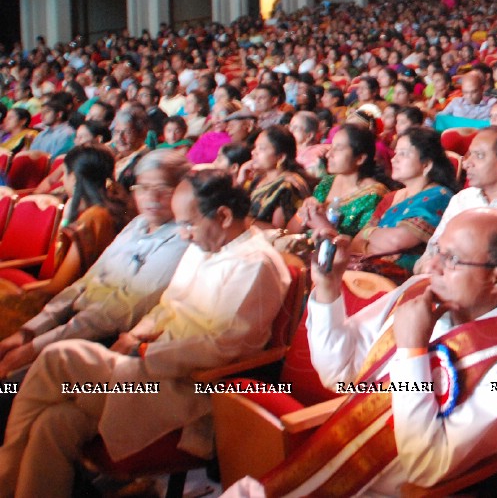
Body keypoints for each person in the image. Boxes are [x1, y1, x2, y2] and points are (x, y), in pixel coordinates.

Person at [224, 209, 497, 498]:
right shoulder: (418, 294)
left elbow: (425, 468)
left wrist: (413, 350)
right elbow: (339, 375)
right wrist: (327, 288)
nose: (432, 266)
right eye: (436, 250)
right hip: (342, 466)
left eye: (451, 259)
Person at [0, 171, 290, 498]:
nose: (184, 235)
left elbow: (225, 348)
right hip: (146, 376)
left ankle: (3, 477)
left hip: (187, 391)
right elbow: (167, 305)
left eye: (189, 224)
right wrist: (135, 335)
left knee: (59, 357)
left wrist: (146, 355)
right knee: (53, 424)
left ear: (223, 216)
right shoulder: (204, 245)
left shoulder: (257, 264)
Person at [0, 150, 190, 379]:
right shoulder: (138, 224)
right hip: (73, 322)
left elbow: (118, 312)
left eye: (163, 188)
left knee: (11, 385)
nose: (152, 197)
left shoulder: (183, 239)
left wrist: (35, 346)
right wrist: (29, 332)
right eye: (143, 188)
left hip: (105, 339)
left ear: (182, 191)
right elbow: (87, 281)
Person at [0, 145, 130, 339]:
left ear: (74, 178)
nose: (61, 180)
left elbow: (60, 286)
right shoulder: (114, 210)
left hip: (66, 306)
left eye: (65, 174)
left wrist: (17, 296)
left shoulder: (93, 218)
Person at [350, 126, 458, 273]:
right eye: (395, 153)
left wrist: (369, 236)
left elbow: (396, 241)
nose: (394, 159)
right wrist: (370, 239)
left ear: (426, 164)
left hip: (408, 281)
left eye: (403, 154)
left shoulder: (438, 196)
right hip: (370, 271)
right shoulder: (391, 198)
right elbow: (356, 242)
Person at [289, 124, 389, 238]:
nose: (328, 154)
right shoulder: (327, 183)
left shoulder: (374, 196)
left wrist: (324, 226)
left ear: (360, 158)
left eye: (338, 149)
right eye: (331, 147)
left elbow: (362, 247)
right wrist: (304, 211)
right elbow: (291, 231)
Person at [237, 125, 312, 231]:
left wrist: (245, 222)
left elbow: (278, 231)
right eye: (255, 147)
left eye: (261, 149)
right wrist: (241, 181)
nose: (254, 152)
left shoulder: (287, 185)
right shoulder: (258, 179)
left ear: (281, 157)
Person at [28, 92, 75, 158]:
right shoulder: (42, 134)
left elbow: (55, 159)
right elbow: (31, 155)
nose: (42, 117)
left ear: (59, 114)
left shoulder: (67, 134)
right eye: (41, 113)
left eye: (46, 112)